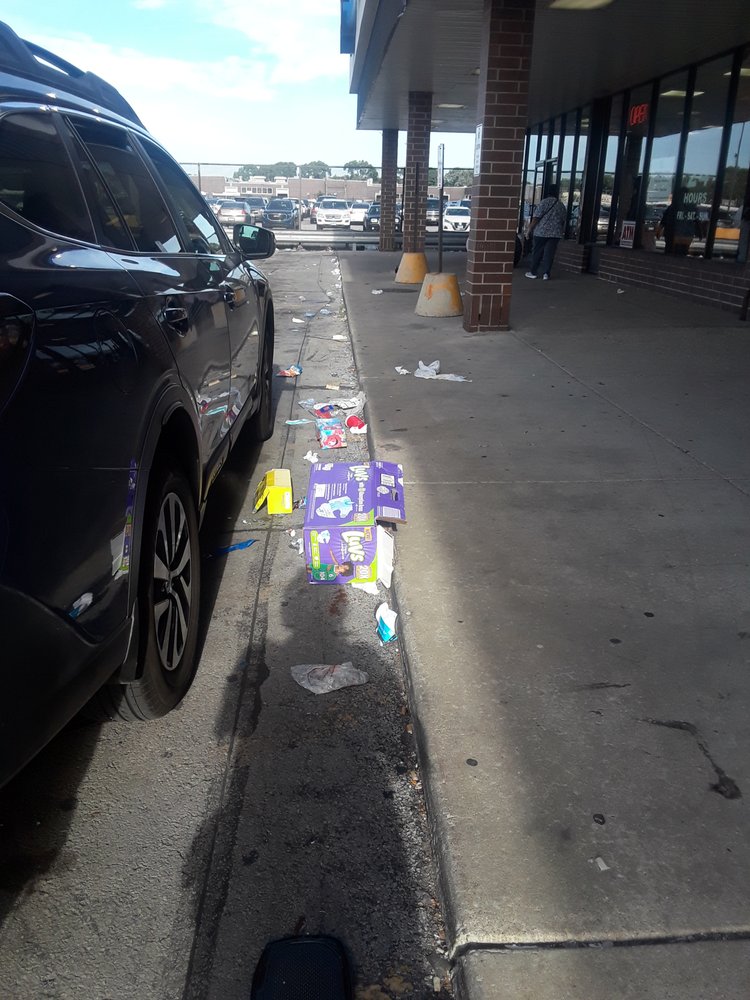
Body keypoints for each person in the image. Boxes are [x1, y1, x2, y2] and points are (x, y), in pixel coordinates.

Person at [525, 185, 568, 280]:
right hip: (555, 233)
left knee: (537, 252)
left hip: (541, 232)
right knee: (549, 253)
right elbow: (563, 220)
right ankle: (546, 273)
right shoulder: (561, 205)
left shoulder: (544, 202)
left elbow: (536, 218)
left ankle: (533, 272)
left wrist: (529, 229)